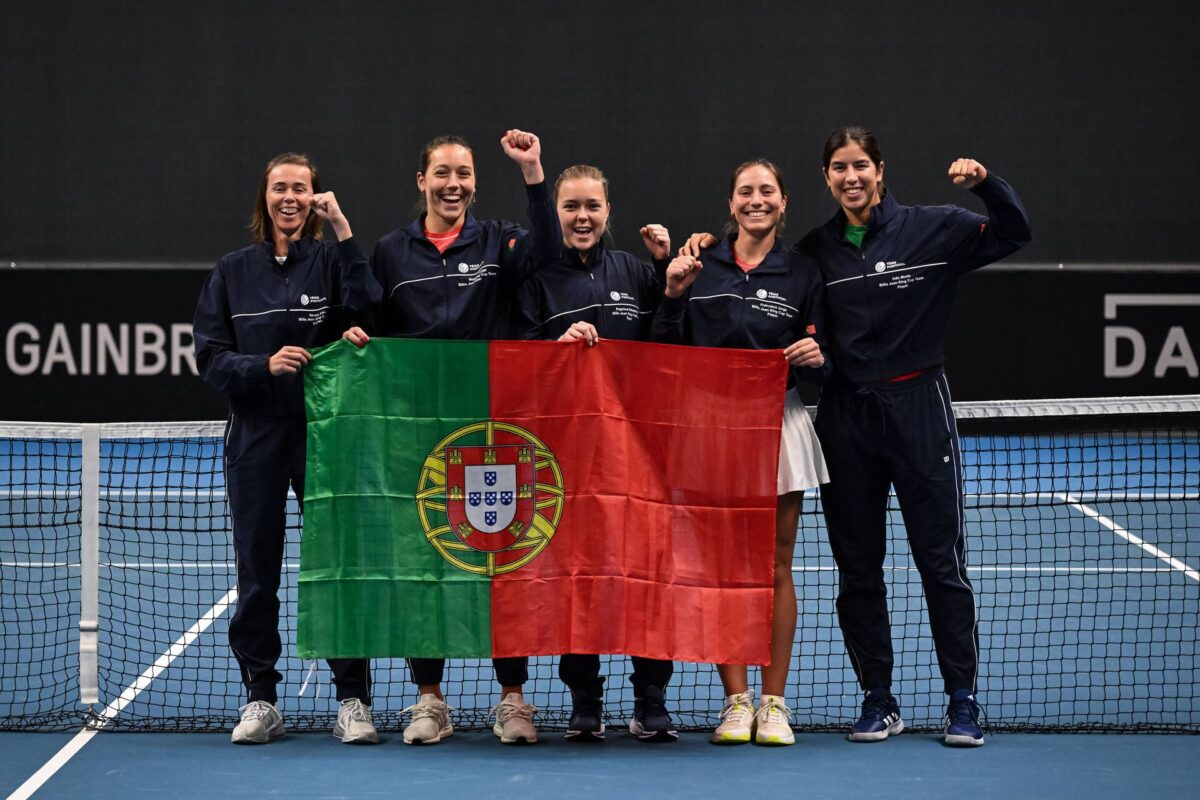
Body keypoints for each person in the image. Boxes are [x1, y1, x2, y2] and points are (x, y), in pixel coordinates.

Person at [797, 126, 1031, 747]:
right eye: (839, 168)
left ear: (880, 169)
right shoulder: (815, 250)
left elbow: (1014, 232)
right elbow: (782, 308)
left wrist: (988, 184)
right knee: (857, 570)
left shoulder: (935, 228)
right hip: (846, 417)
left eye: (860, 165)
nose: (851, 177)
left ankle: (963, 701)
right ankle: (878, 698)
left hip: (920, 408)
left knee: (940, 564)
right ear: (827, 177)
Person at [343, 129, 561, 746]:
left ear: (474, 182)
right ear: (422, 181)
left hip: (491, 427)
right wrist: (360, 333)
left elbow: (547, 250)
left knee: (503, 558)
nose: (453, 184)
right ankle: (430, 698)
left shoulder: (497, 240)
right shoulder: (392, 251)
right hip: (418, 430)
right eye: (442, 173)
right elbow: (373, 318)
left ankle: (512, 698)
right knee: (425, 562)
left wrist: (533, 171)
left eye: (463, 174)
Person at [193, 153, 382, 745]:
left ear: (315, 199)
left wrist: (344, 230)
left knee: (338, 565)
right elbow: (210, 358)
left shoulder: (331, 261)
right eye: (280, 188)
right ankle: (261, 699)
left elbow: (370, 306)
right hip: (255, 438)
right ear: (266, 198)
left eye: (301, 188)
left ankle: (353, 699)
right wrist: (263, 366)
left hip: (325, 434)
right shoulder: (232, 271)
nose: (290, 197)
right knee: (257, 571)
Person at [653, 159, 830, 746]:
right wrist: (673, 293)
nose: (756, 200)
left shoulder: (803, 272)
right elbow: (665, 348)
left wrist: (818, 359)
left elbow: (823, 362)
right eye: (745, 192)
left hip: (778, 423)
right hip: (709, 429)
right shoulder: (700, 263)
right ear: (731, 204)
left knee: (776, 563)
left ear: (784, 202)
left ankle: (773, 703)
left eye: (767, 191)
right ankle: (736, 702)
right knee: (719, 567)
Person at [513, 164, 676, 742]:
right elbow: (518, 357)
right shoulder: (536, 280)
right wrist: (555, 348)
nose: (582, 217)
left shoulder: (636, 272)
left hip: (639, 454)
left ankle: (651, 697)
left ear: (609, 211)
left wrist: (666, 274)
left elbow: (669, 340)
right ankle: (585, 697)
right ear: (556, 212)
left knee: (647, 574)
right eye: (571, 207)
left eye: (592, 206)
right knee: (576, 576)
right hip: (568, 457)